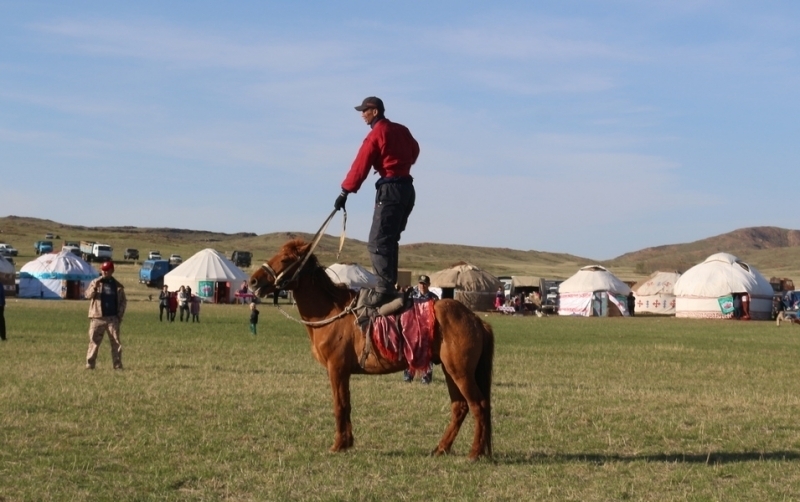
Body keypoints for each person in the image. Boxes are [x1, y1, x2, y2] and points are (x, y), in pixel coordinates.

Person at [334, 96, 420, 308]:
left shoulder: (376, 134)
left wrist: (345, 191)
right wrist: (400, 163)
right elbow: (415, 151)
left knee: (378, 242)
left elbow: (360, 165)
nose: (362, 114)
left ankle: (383, 290)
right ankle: (389, 286)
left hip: (390, 189)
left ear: (375, 111)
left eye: (365, 110)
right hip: (407, 189)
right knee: (390, 240)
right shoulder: (402, 130)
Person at [84, 261, 127, 370]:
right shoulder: (95, 282)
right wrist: (94, 287)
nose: (104, 272)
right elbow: (87, 295)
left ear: (112, 271)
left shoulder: (118, 286)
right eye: (103, 270)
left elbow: (123, 301)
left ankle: (117, 365)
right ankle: (90, 364)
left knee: (116, 343)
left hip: (112, 318)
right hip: (97, 317)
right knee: (94, 342)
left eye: (107, 270)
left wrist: (119, 316)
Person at [403, 275, 438, 384]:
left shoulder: (434, 298)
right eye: (421, 283)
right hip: (413, 328)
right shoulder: (411, 295)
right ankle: (409, 375)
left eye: (425, 284)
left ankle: (426, 377)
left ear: (429, 285)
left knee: (427, 352)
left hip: (427, 329)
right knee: (411, 350)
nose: (422, 286)